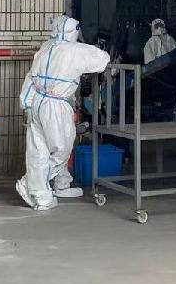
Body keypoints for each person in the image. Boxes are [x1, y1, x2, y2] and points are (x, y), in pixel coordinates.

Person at [16, 15, 110, 211]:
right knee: (62, 148)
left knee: (39, 150)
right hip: (56, 105)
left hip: (37, 102)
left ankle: (56, 187)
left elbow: (31, 76)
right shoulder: (74, 50)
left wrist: (26, 103)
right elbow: (103, 59)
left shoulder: (46, 47)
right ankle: (32, 184)